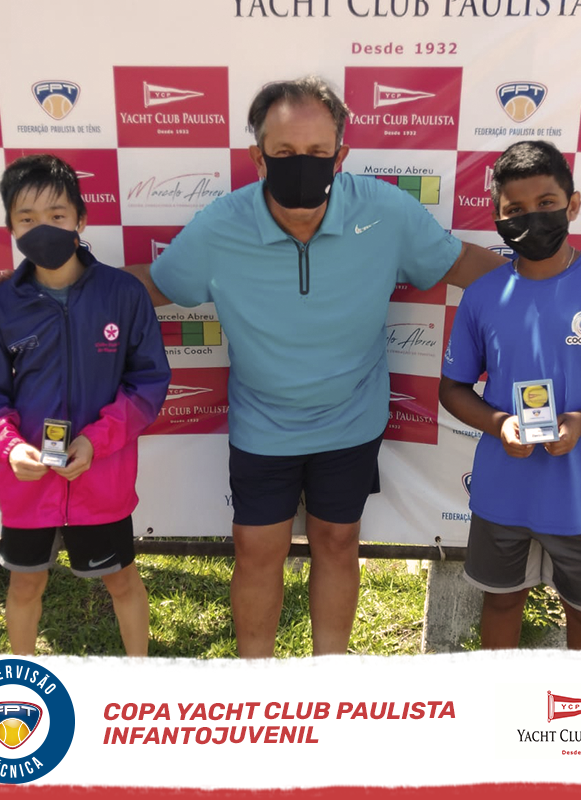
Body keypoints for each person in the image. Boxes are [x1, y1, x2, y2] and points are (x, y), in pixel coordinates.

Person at [125, 76, 505, 659]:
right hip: (263, 424)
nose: (301, 164)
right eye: (283, 152)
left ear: (340, 155)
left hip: (352, 419)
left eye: (316, 152)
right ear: (257, 157)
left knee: (337, 542)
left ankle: (329, 680)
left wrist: (559, 285)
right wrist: (52, 291)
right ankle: (256, 687)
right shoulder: (221, 225)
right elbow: (152, 287)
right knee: (257, 552)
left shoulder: (383, 210)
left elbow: (461, 264)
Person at [0, 154, 171, 656]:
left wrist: (97, 441)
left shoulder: (123, 293)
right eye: (27, 219)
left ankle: (141, 679)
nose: (43, 228)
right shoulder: (4, 303)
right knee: (25, 585)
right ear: (11, 228)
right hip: (26, 483)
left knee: (122, 580)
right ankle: (21, 686)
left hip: (102, 478)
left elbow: (148, 384)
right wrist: (10, 448)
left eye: (56, 215)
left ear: (81, 219)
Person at [439, 140, 581, 649]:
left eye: (546, 203)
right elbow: (453, 388)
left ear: (572, 205)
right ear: (497, 218)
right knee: (500, 602)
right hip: (503, 493)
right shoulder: (483, 295)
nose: (532, 218)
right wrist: (499, 424)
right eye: (515, 209)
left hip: (577, 498)